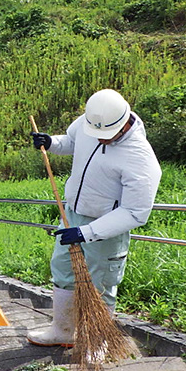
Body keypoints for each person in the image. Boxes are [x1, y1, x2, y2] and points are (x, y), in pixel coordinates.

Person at [27, 88, 162, 347]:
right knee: (63, 270)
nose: (101, 140)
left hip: (107, 227)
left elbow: (135, 212)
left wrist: (86, 233)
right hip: (73, 215)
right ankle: (63, 330)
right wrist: (52, 143)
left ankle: (98, 342)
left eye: (107, 136)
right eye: (97, 134)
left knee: (102, 282)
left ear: (123, 124)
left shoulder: (141, 159)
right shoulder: (90, 121)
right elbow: (72, 141)